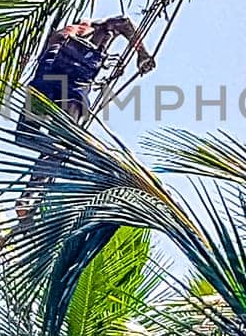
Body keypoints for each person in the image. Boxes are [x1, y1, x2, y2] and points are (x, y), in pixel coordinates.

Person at [14, 15, 156, 216]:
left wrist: (141, 54)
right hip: (69, 88)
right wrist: (142, 53)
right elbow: (123, 22)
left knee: (27, 137)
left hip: (44, 83)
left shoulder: (60, 34)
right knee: (59, 145)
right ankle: (30, 195)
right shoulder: (99, 30)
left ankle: (31, 193)